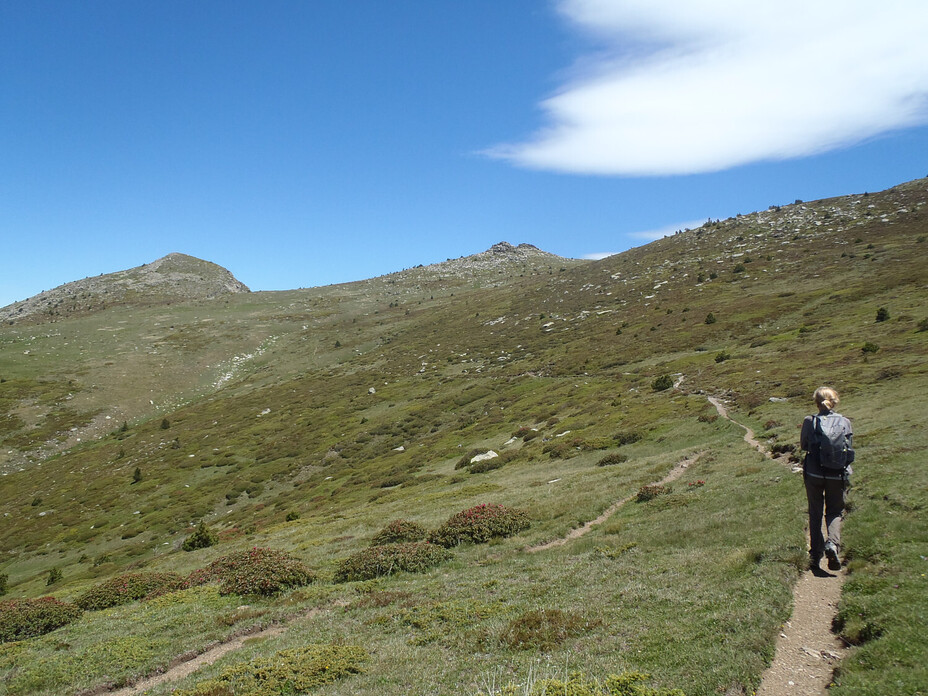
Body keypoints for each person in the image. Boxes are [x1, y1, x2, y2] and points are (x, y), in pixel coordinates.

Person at [799, 386, 853, 571]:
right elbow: (849, 448)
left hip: (813, 473)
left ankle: (816, 554)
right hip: (837, 474)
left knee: (815, 512)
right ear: (835, 401)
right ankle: (833, 545)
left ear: (816, 402)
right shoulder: (845, 422)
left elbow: (804, 445)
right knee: (834, 512)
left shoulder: (809, 421)